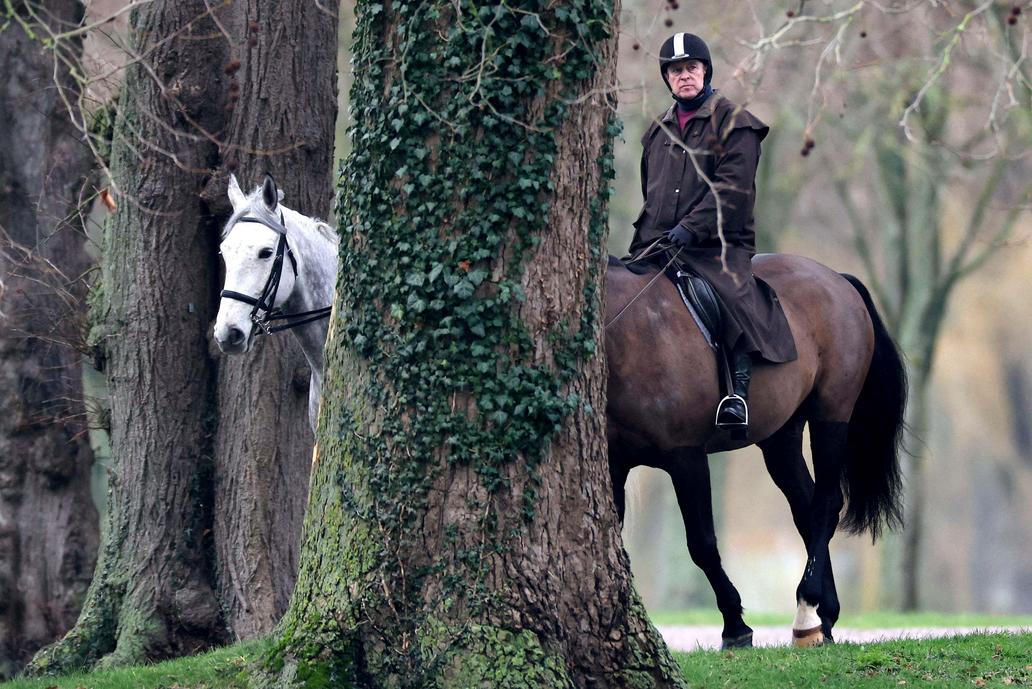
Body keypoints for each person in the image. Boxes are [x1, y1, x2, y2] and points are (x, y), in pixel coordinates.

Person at [628, 32, 797, 433]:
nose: (683, 76)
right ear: (666, 78)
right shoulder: (657, 131)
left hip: (717, 248)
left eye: (690, 68)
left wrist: (691, 227)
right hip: (660, 246)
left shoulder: (736, 124)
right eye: (675, 70)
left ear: (705, 70)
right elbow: (650, 192)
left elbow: (733, 190)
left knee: (727, 298)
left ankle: (735, 394)